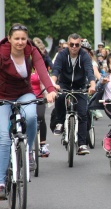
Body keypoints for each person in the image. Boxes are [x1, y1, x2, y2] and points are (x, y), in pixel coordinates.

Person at [0, 23, 56, 199]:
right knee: (3, 137)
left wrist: (50, 89)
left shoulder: (31, 50)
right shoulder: (1, 53)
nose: (20, 42)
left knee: (32, 117)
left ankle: (29, 151)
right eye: (16, 38)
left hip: (24, 94)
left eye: (23, 38)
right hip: (3, 96)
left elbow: (41, 70)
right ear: (9, 39)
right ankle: (1, 182)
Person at [51, 33, 96, 155]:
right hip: (64, 84)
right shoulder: (62, 54)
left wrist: (92, 85)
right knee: (60, 97)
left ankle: (81, 144)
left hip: (80, 86)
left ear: (80, 45)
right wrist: (53, 84)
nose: (74, 47)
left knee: (83, 113)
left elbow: (89, 71)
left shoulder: (84, 56)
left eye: (77, 45)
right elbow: (56, 70)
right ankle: (60, 122)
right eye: (71, 44)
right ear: (68, 44)